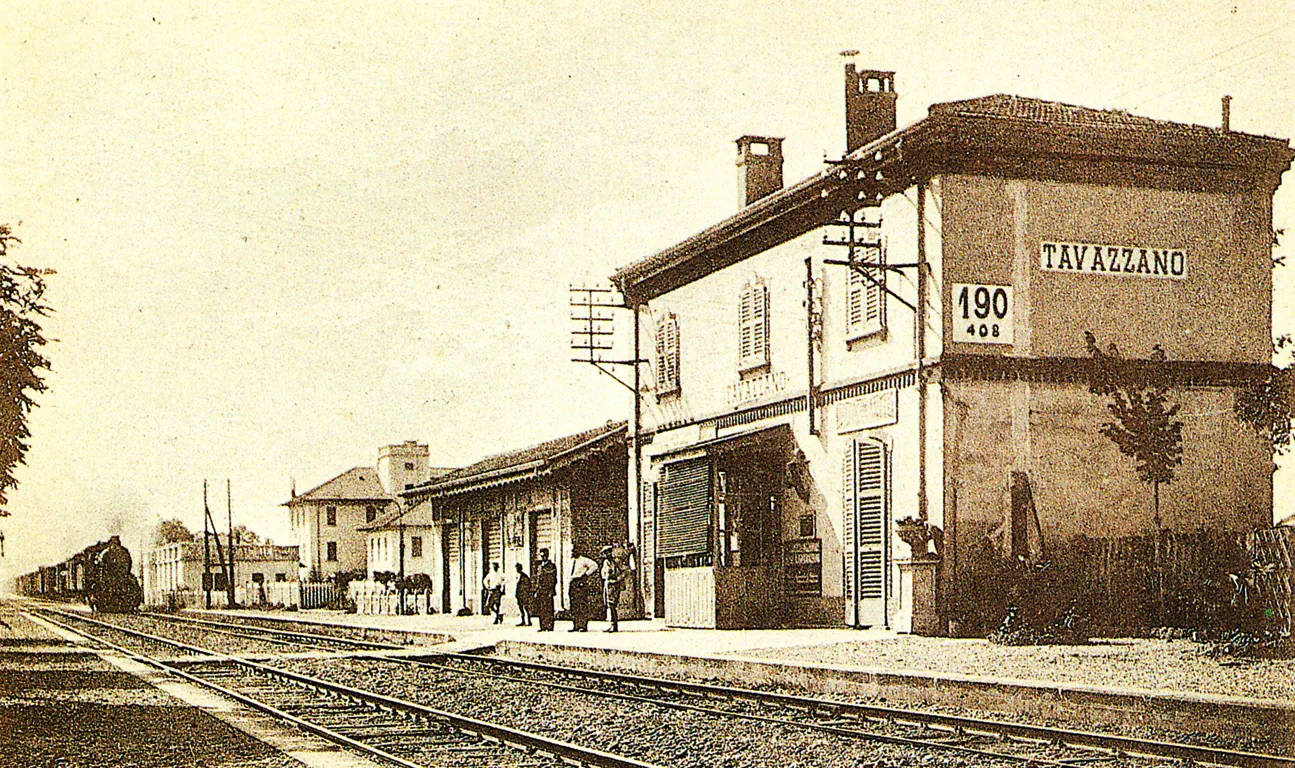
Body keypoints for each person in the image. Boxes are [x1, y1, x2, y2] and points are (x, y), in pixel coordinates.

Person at [568, 549, 601, 632]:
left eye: (574, 551)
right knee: (574, 605)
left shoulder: (584, 560)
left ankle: (582, 625)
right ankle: (575, 625)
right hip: (573, 583)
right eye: (572, 551)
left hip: (580, 582)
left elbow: (594, 565)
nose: (572, 552)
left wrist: (585, 575)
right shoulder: (571, 561)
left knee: (581, 605)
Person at [533, 549, 558, 632]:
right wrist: (536, 590)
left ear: (547, 555)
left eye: (544, 555)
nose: (543, 557)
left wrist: (551, 590)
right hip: (540, 590)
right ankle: (543, 626)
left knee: (548, 608)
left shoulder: (551, 566)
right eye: (541, 556)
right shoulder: (539, 566)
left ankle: (549, 626)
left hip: (548, 590)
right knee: (541, 609)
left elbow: (553, 579)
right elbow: (537, 579)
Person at [600, 545, 621, 632]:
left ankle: (614, 625)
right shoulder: (606, 562)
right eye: (605, 553)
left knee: (612, 605)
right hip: (607, 584)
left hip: (614, 585)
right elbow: (604, 573)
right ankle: (612, 624)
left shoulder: (616, 562)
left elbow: (624, 571)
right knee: (609, 604)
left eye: (608, 552)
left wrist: (617, 579)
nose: (606, 555)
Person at [514, 562, 533, 626]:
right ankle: (523, 621)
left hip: (524, 594)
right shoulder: (517, 576)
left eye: (518, 568)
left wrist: (526, 593)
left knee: (526, 608)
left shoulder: (524, 576)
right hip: (519, 595)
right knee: (521, 608)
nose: (517, 569)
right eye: (516, 568)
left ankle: (529, 621)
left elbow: (528, 585)